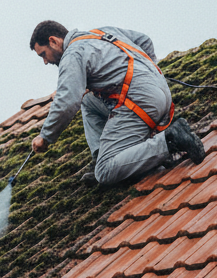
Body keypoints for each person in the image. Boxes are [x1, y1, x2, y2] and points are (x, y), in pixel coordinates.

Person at [29, 20, 205, 187]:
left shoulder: (72, 54)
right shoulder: (101, 32)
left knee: (104, 171)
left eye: (43, 54)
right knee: (88, 102)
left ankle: (170, 141)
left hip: (139, 103)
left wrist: (45, 137)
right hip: (161, 90)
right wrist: (148, 74)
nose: (45, 61)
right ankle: (100, 155)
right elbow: (144, 40)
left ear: (53, 41)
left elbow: (67, 101)